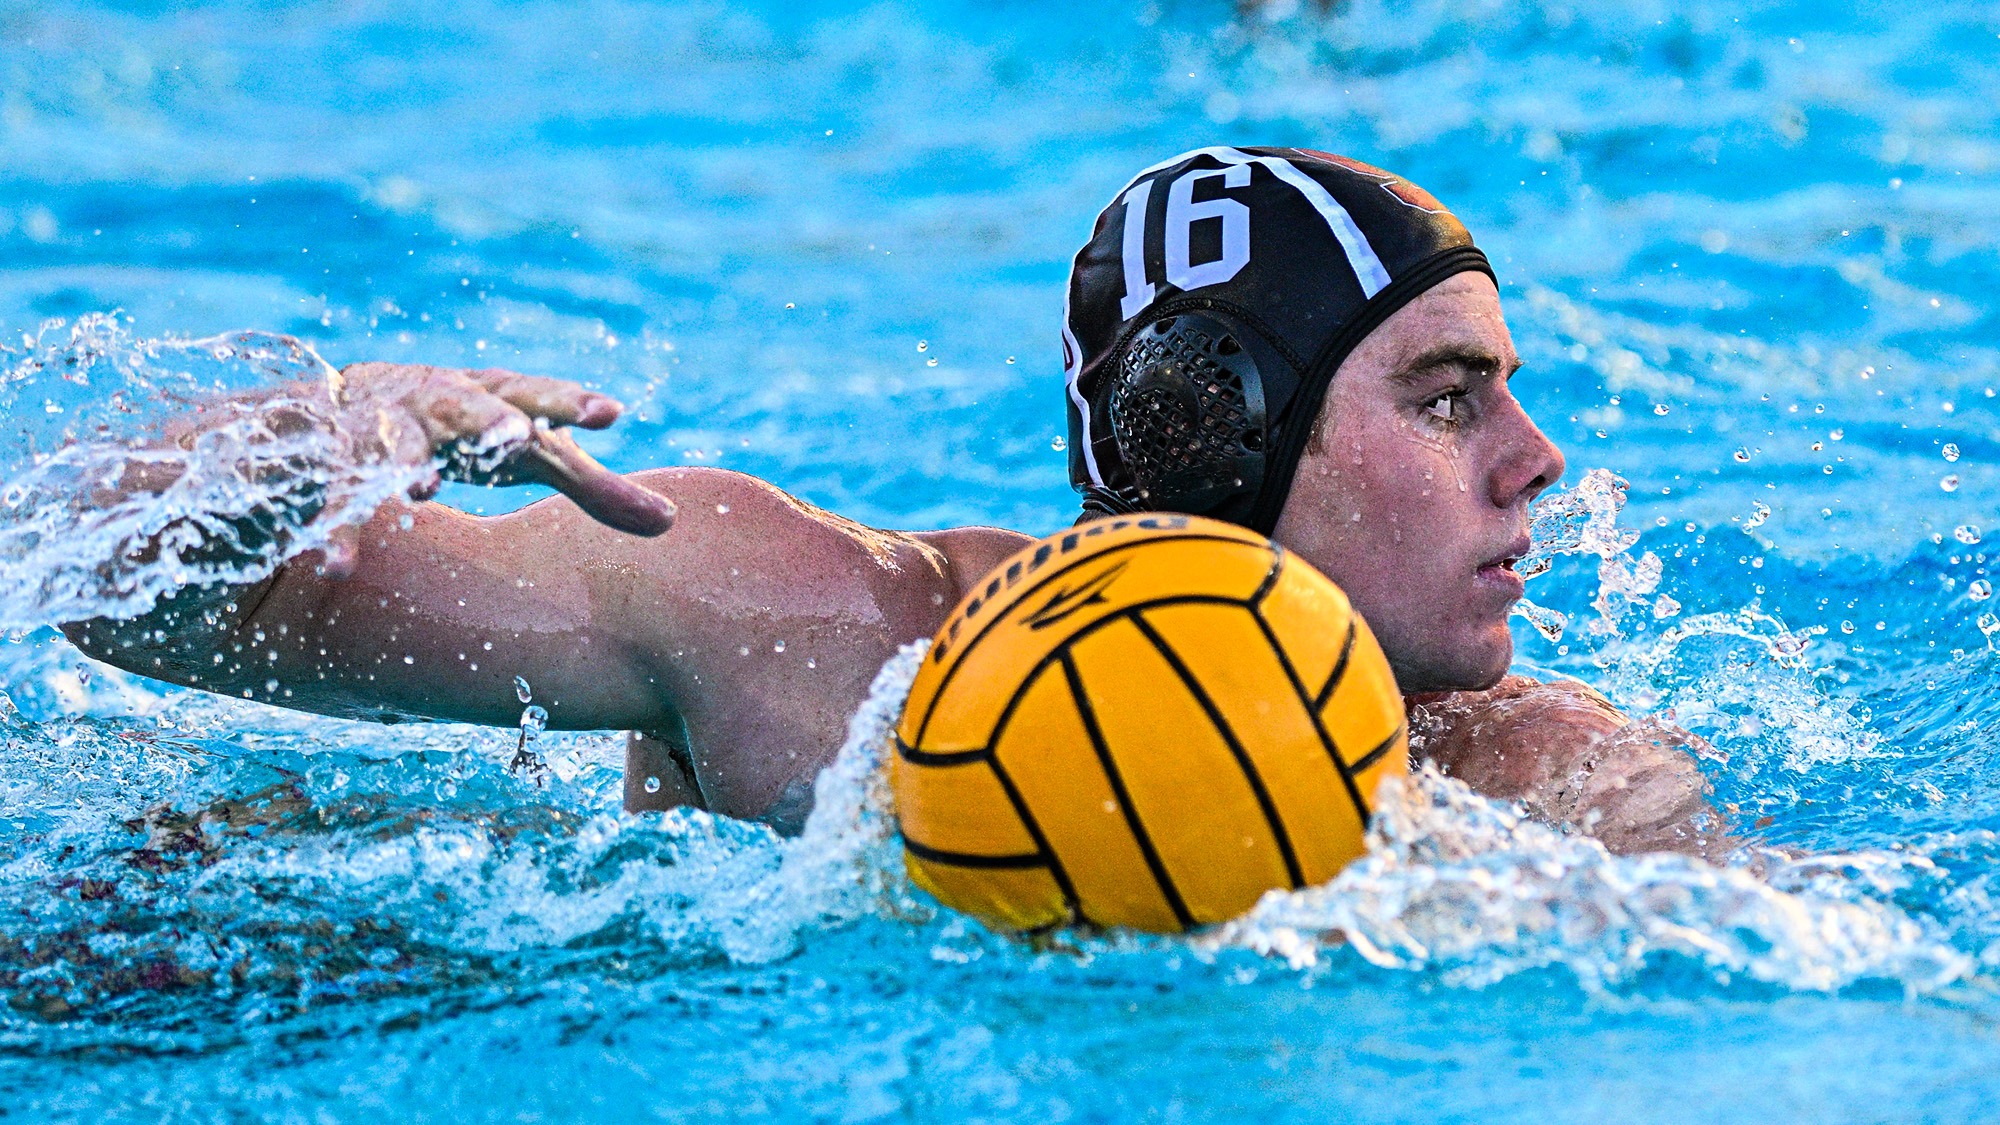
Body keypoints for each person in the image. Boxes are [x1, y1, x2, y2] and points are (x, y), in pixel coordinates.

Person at [58, 147, 1723, 855]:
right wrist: (326, 433)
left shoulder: (1554, 786)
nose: (1537, 455)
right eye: (1446, 395)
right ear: (1221, 439)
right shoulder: (808, 627)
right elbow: (116, 594)